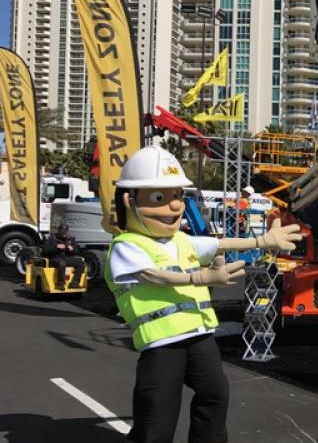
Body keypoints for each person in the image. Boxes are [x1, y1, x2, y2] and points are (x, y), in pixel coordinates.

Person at [106, 146, 302, 442]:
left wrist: (261, 240)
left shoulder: (181, 240)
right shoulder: (127, 246)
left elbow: (219, 244)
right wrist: (199, 277)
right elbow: (151, 275)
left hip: (199, 334)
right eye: (159, 198)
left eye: (177, 197)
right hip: (162, 342)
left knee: (215, 395)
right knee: (158, 412)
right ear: (128, 201)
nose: (173, 207)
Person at [42, 222, 85, 290]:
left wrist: (72, 249)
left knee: (81, 262)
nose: (64, 234)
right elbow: (45, 250)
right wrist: (56, 247)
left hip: (67, 258)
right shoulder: (52, 238)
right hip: (55, 258)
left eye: (65, 233)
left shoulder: (71, 239)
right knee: (62, 263)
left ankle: (74, 282)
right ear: (59, 231)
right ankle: (60, 283)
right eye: (62, 232)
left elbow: (77, 251)